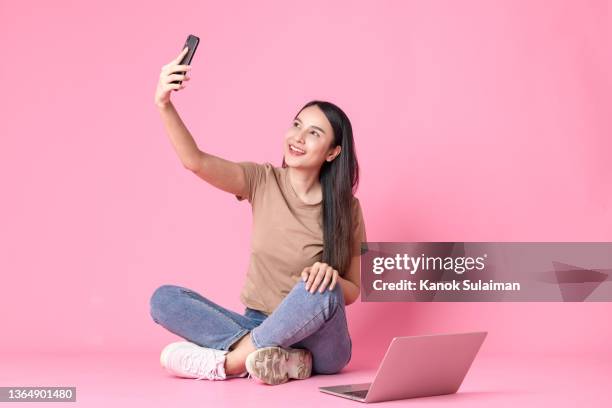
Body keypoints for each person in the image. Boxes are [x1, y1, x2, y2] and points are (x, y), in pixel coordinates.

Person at [149, 47, 367, 385]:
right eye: (297, 125)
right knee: (164, 299)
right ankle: (276, 357)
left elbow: (353, 290)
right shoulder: (261, 180)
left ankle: (232, 362)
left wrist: (331, 279)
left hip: (322, 341)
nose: (298, 137)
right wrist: (164, 103)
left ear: (333, 152)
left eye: (314, 133)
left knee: (320, 290)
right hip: (257, 323)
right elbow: (195, 161)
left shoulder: (347, 208)